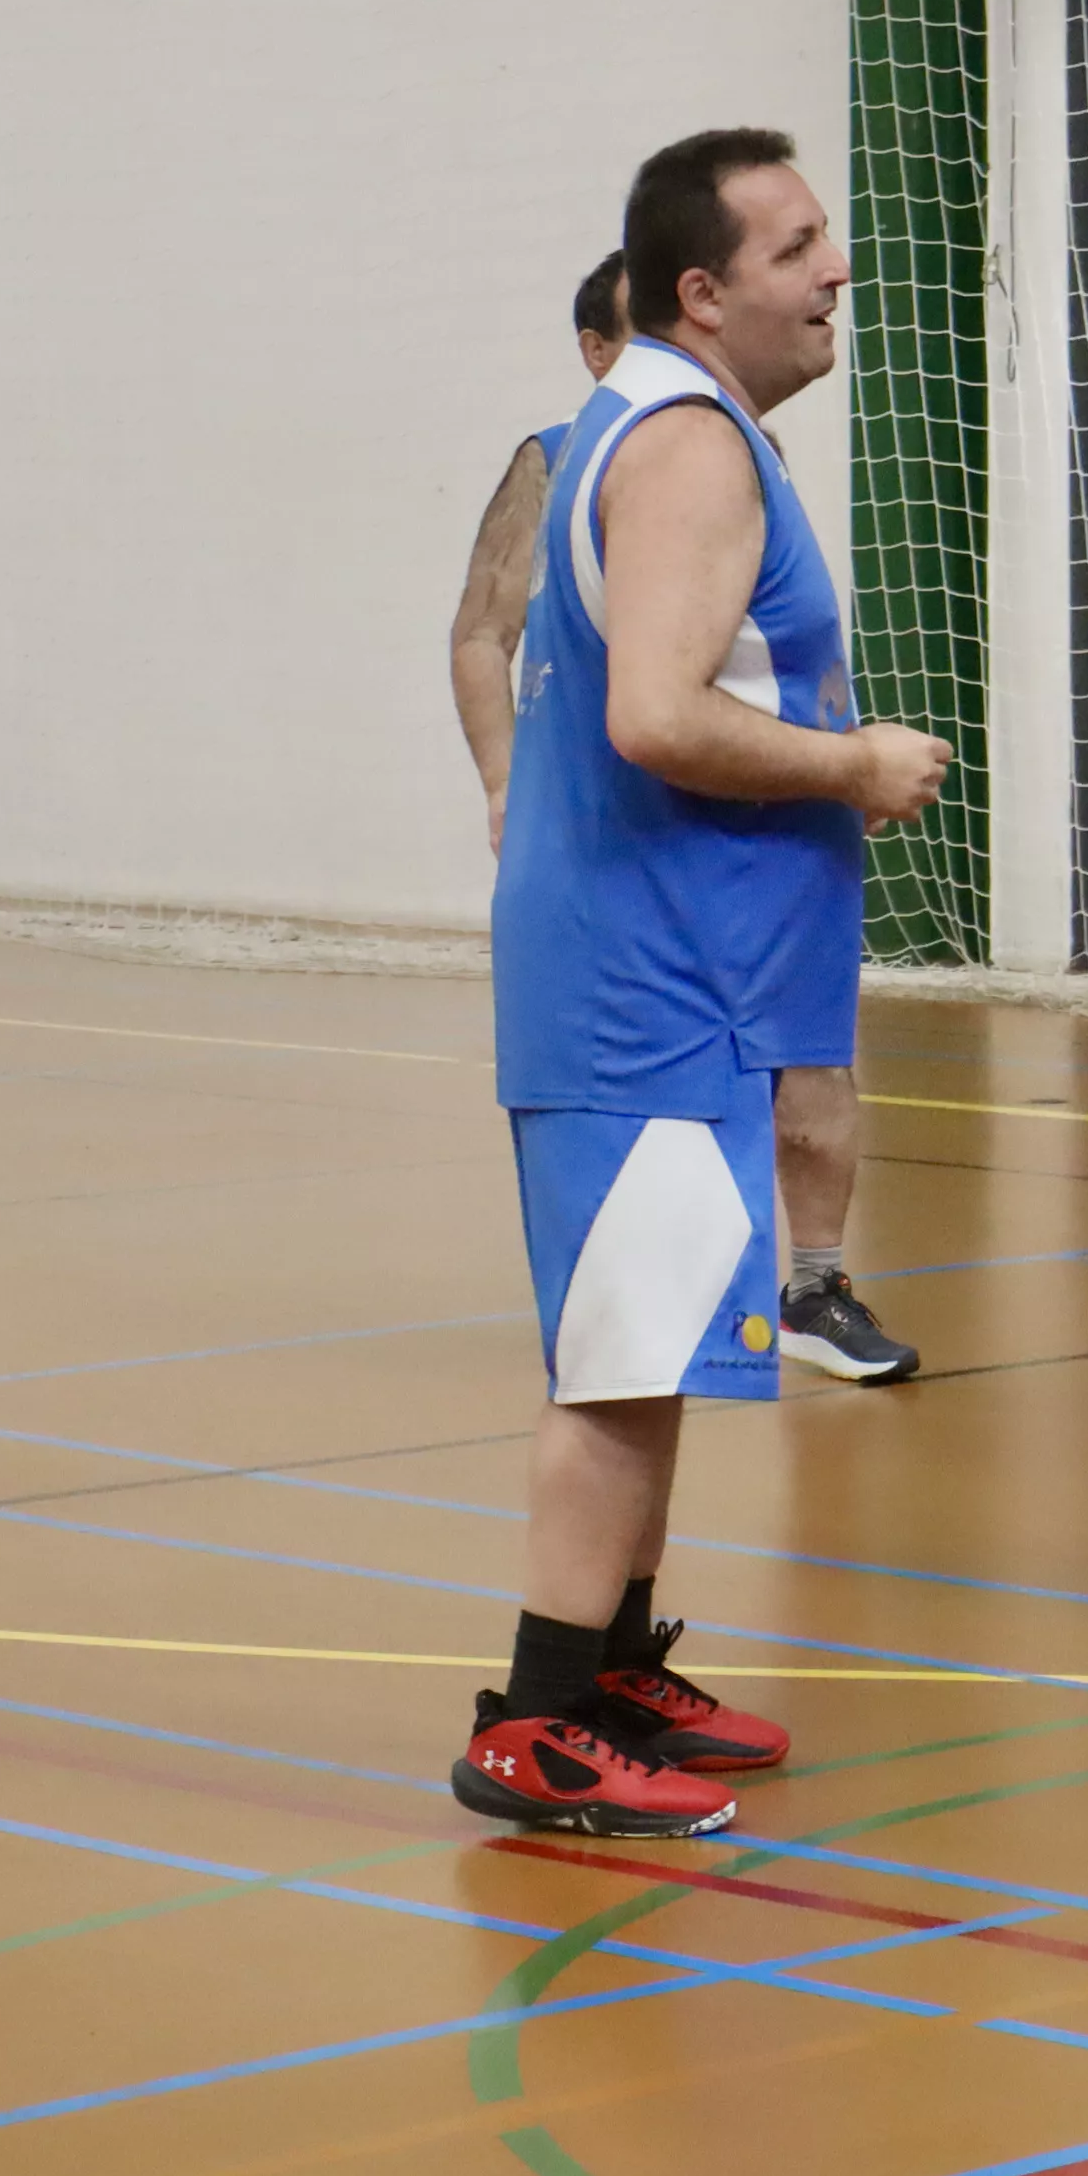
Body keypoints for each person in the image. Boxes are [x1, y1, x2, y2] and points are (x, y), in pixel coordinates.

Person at [456, 128, 955, 1835]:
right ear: (702, 288)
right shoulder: (684, 448)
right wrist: (851, 761)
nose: (833, 269)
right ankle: (532, 1724)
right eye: (798, 245)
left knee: (652, 1343)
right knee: (615, 1367)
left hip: (685, 978)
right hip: (649, 982)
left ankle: (610, 1667)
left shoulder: (679, 426)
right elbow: (656, 716)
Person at [451, 253, 925, 1391]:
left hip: (773, 836)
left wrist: (834, 764)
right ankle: (634, 1324)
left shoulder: (730, 448)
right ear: (598, 354)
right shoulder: (567, 461)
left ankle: (814, 1285)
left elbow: (768, 653)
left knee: (813, 1068)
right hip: (642, 860)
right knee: (662, 1111)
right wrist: (505, 782)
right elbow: (481, 635)